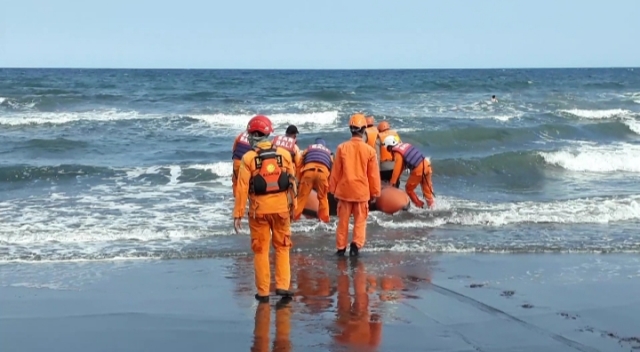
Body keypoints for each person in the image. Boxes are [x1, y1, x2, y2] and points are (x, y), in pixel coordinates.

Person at [233, 115, 298, 303]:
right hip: (281, 210)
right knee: (283, 247)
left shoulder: (248, 158)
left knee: (261, 251)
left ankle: (263, 292)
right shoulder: (285, 155)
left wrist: (237, 214)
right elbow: (292, 183)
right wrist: (293, 208)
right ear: (268, 134)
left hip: (258, 212)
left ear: (253, 135)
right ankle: (283, 286)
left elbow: (242, 188)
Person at [328, 114, 381, 257]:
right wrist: (375, 193)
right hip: (361, 192)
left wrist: (332, 189)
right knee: (360, 221)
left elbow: (336, 171)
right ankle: (355, 246)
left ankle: (340, 248)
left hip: (344, 191)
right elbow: (373, 175)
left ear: (350, 130)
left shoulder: (341, 148)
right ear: (364, 130)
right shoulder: (369, 151)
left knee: (342, 222)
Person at [382, 136, 435, 209]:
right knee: (427, 189)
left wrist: (392, 182)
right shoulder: (405, 145)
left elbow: (397, 168)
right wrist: (397, 178)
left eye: (388, 149)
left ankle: (419, 206)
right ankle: (432, 207)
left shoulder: (397, 153)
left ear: (389, 146)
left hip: (419, 170)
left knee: (408, 189)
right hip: (427, 165)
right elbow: (402, 166)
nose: (389, 151)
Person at [293, 138, 333, 223]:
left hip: (308, 172)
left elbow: (300, 163)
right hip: (322, 174)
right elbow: (332, 169)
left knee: (302, 198)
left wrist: (298, 180)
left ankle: (294, 219)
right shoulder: (329, 153)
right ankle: (325, 221)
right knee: (323, 198)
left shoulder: (308, 149)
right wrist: (329, 185)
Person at [376, 121, 401, 187]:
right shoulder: (395, 136)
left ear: (379, 130)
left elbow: (377, 157)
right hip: (396, 166)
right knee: (395, 186)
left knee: (384, 188)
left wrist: (377, 171)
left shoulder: (378, 139)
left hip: (383, 168)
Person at [231, 129, 253, 198]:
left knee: (236, 181)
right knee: (248, 183)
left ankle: (236, 198)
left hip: (237, 161)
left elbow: (234, 149)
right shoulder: (255, 139)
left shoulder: (240, 136)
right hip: (247, 164)